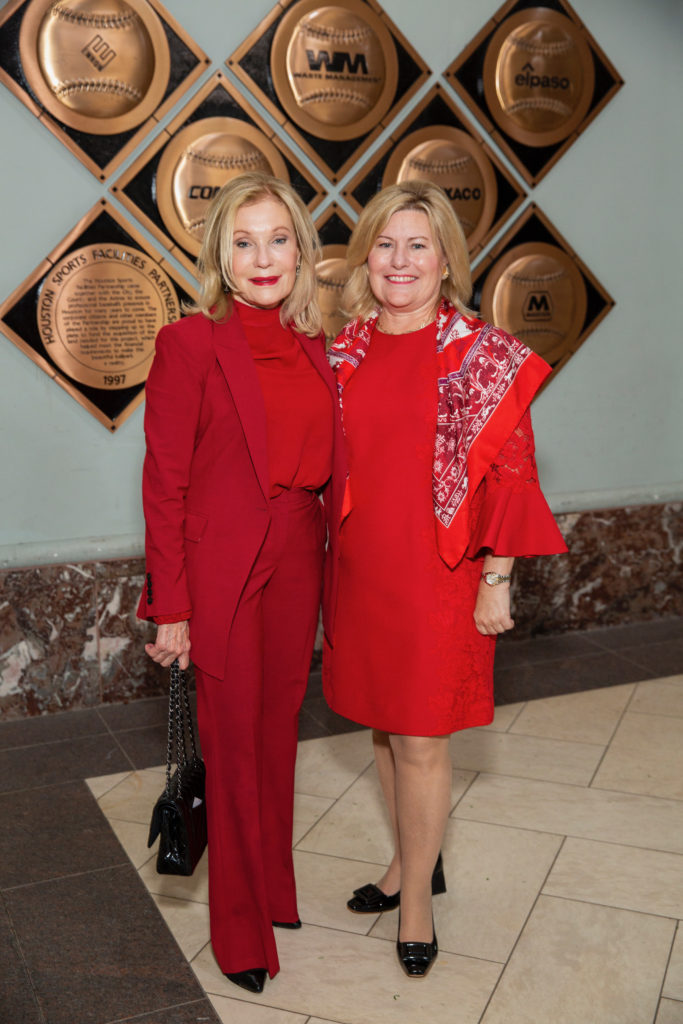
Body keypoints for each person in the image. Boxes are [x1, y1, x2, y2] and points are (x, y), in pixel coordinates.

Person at [323, 181, 567, 978]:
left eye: (417, 246)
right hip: (360, 571)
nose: (399, 261)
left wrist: (496, 578)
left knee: (422, 736)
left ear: (445, 261)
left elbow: (512, 473)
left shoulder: (482, 355)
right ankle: (407, 863)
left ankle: (417, 907)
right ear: (366, 256)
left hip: (440, 575)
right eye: (385, 244)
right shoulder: (343, 350)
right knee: (383, 725)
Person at [137, 172, 345, 994]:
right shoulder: (189, 344)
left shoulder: (318, 345)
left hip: (298, 554)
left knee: (276, 735)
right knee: (228, 749)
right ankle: (238, 933)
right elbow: (164, 484)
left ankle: (274, 893)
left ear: (300, 249)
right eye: (244, 242)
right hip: (222, 569)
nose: (263, 258)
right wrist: (172, 607)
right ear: (220, 257)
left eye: (278, 239)